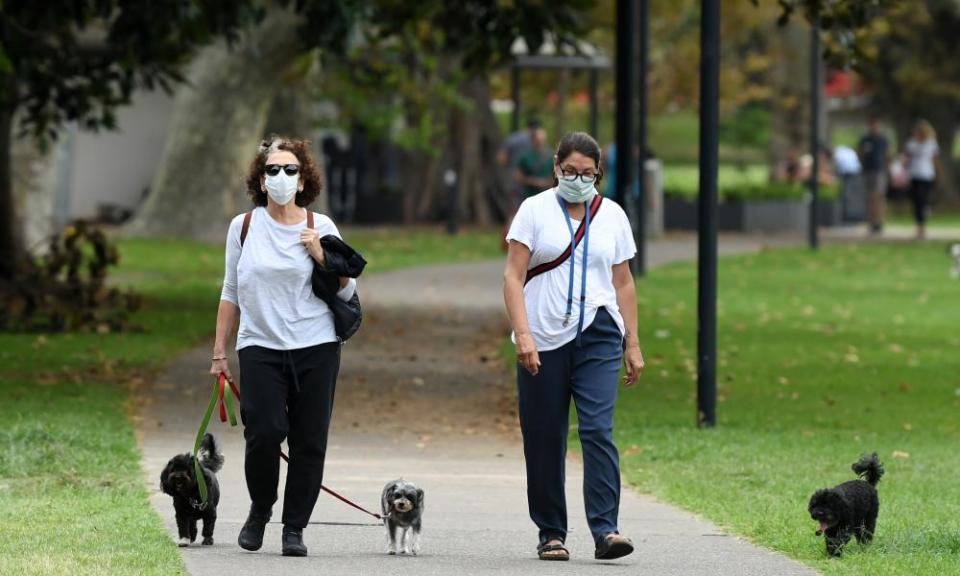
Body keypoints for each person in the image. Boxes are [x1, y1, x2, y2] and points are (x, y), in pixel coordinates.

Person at [211, 135, 356, 557]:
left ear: (303, 177)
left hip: (316, 346)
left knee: (310, 441)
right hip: (260, 346)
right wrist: (220, 352)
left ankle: (294, 527)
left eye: (289, 169)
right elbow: (230, 290)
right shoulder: (244, 226)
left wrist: (325, 260)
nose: (281, 177)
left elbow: (347, 294)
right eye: (272, 170)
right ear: (260, 178)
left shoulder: (321, 227)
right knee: (264, 432)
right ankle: (260, 509)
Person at [503, 132, 645, 562]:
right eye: (570, 172)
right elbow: (513, 276)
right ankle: (551, 532)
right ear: (555, 167)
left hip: (599, 331)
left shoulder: (613, 215)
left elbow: (623, 281)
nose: (578, 180)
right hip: (543, 335)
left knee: (598, 429)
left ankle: (607, 530)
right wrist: (523, 334)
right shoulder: (534, 210)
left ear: (599, 173)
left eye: (587, 174)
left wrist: (632, 342)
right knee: (545, 435)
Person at [904, 119, 941, 239]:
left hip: (926, 175)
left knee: (922, 199)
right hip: (914, 175)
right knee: (916, 201)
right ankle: (919, 224)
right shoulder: (911, 144)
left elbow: (935, 160)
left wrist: (938, 173)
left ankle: (922, 224)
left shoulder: (931, 143)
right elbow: (906, 159)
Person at [858, 116, 890, 235]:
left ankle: (879, 221)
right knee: (870, 197)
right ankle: (871, 221)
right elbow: (860, 152)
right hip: (868, 170)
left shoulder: (882, 140)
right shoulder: (865, 139)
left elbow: (887, 155)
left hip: (879, 170)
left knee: (878, 196)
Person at [516, 128, 554, 200]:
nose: (541, 143)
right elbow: (518, 177)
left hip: (546, 196)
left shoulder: (551, 156)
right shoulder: (525, 157)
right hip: (529, 196)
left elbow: (555, 176)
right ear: (533, 140)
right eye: (538, 140)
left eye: (543, 140)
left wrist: (548, 183)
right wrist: (533, 181)